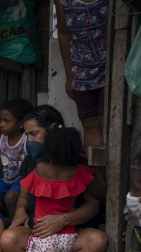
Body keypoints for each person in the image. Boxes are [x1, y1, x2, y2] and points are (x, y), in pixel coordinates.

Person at [1, 105, 108, 252]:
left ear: (51, 129)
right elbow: (23, 195)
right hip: (40, 235)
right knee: (8, 238)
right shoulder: (32, 160)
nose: (29, 141)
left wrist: (62, 220)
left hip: (72, 236)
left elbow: (94, 203)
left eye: (33, 134)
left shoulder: (74, 161)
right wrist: (21, 210)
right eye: (26, 135)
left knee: (97, 241)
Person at [55, 0, 108, 151]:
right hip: (81, 69)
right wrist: (69, 75)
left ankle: (116, 171)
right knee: (90, 123)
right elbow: (63, 33)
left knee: (108, 120)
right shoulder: (63, 2)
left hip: (111, 65)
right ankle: (99, 174)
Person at [0, 98, 34, 219]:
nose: (1, 124)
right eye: (1, 120)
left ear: (20, 124)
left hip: (20, 181)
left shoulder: (26, 140)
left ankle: (14, 223)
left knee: (10, 198)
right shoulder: (2, 139)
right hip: (5, 180)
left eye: (6, 121)